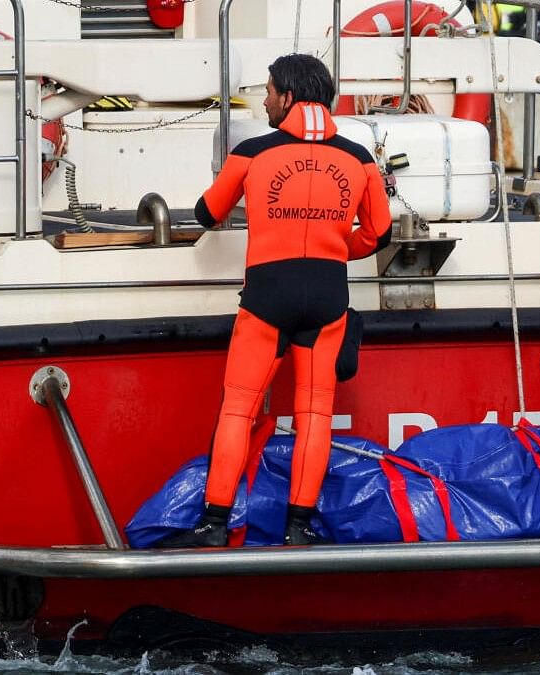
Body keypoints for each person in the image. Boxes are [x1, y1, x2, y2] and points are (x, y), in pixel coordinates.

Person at [164, 54, 392, 547]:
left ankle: (214, 524)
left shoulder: (252, 151)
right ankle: (299, 527)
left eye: (268, 91)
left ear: (288, 96)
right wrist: (336, 250)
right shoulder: (360, 159)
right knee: (315, 415)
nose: (264, 99)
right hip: (329, 297)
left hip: (267, 296)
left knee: (238, 410)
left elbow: (207, 213)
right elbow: (378, 234)